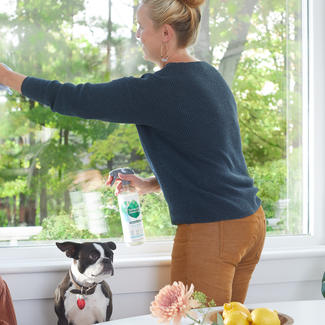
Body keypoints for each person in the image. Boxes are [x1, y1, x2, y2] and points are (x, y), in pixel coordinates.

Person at [0, 0, 266, 305]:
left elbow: (71, 98)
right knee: (229, 320)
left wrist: (7, 77)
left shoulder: (155, 89)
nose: (138, 35)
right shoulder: (210, 76)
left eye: (142, 27)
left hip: (213, 229)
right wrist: (150, 184)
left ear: (166, 33)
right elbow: (213, 157)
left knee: (195, 321)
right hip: (250, 222)